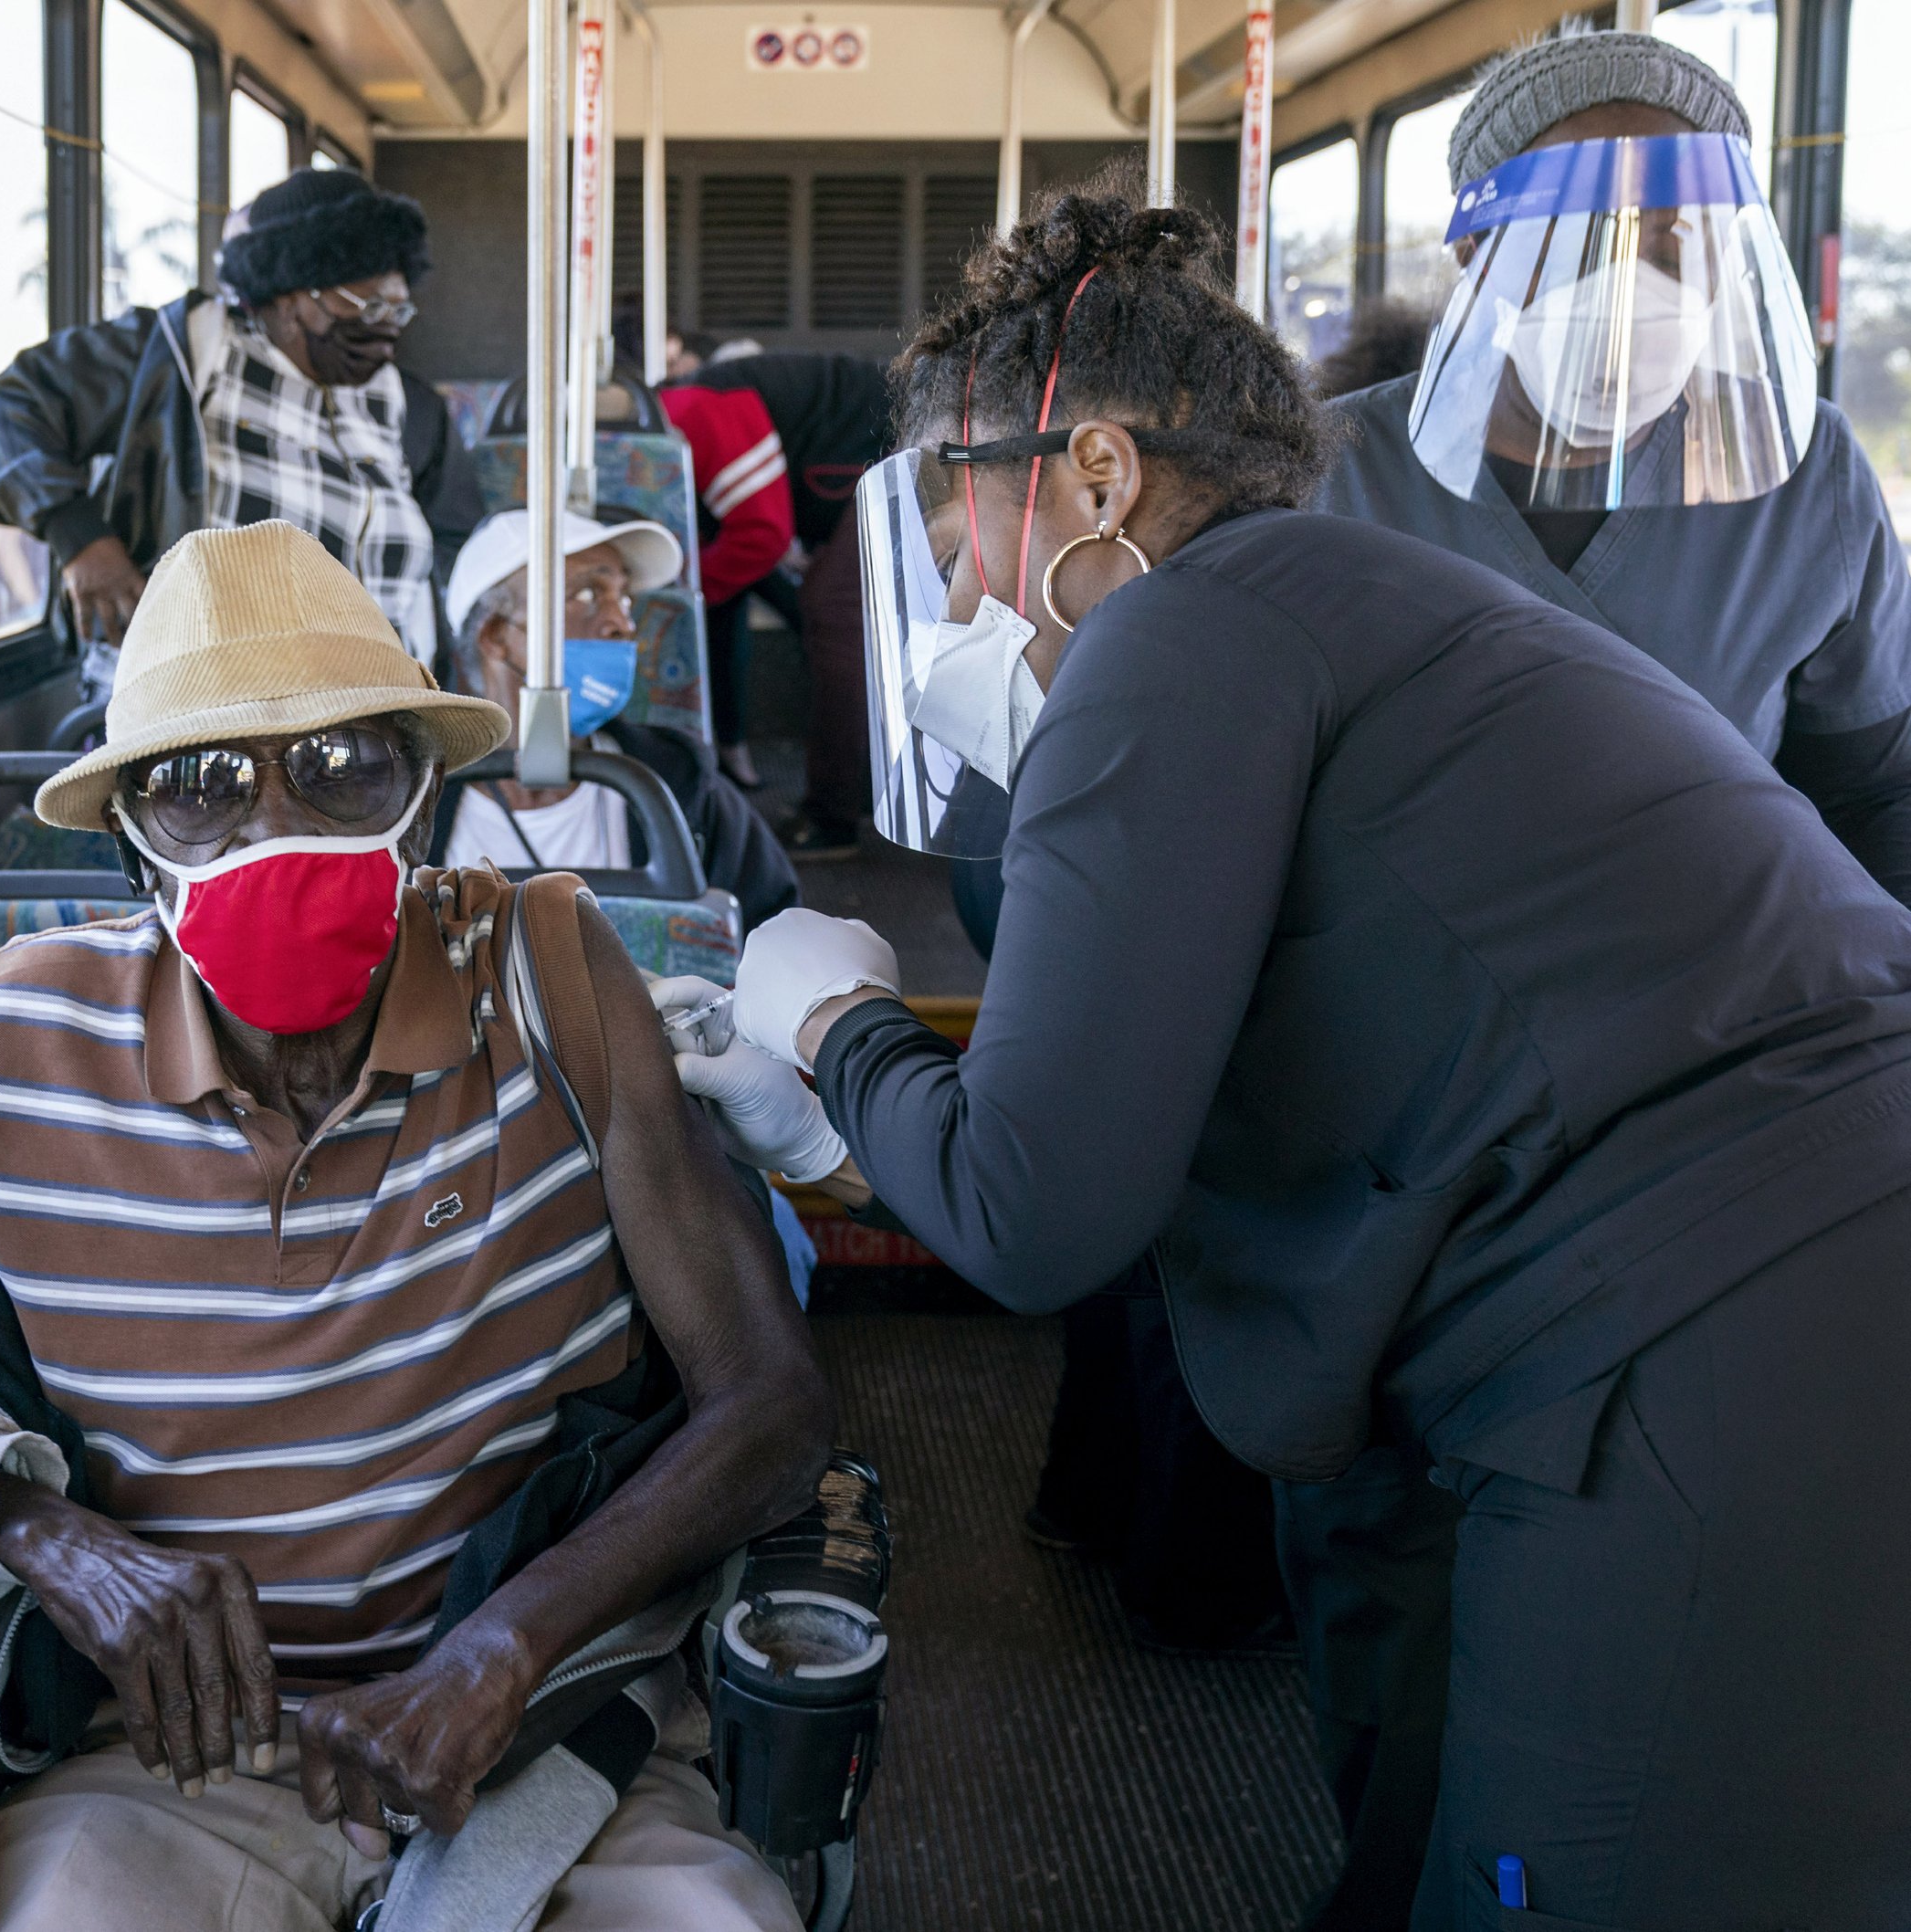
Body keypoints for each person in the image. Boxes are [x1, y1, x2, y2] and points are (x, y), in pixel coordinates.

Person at [678, 184, 1911, 1930]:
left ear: (1094, 479)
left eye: (961, 499)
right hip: (1784, 1288)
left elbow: (1037, 1212)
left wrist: (832, 1011)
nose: (957, 572)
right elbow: (1138, 1104)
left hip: (1715, 1338)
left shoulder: (1177, 635)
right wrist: (838, 1134)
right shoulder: (1336, 600)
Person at [0, 522, 827, 1932]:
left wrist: (502, 1653)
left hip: (548, 1725)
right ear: (134, 839)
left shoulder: (554, 976)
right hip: (174, 1761)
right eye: (202, 788)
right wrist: (51, 1537)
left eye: (340, 770)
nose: (275, 826)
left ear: (419, 803)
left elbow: (771, 1403)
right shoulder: (12, 1054)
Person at [1278, 30, 1911, 1927]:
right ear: (1476, 251)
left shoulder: (1800, 492)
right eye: (1587, 232)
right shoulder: (1329, 491)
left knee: (1632, 1618)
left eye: (1679, 239)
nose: (1634, 290)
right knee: (1389, 1592)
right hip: (1394, 1133)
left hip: (1691, 1152)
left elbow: (1880, 796)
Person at [0, 168, 487, 673]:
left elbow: (459, 542)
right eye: (369, 306)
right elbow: (14, 406)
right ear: (291, 298)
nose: (385, 330)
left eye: (397, 311)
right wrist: (80, 537)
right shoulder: (179, 355)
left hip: (375, 697)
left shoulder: (410, 406)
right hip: (201, 691)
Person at [435, 508, 800, 934]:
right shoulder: (413, 806)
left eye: (623, 598)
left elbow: (777, 925)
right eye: (587, 595)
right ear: (496, 635)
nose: (623, 624)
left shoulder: (676, 781)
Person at [657, 354, 893, 854]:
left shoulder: (691, 412)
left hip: (904, 442)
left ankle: (832, 815)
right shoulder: (679, 410)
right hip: (860, 455)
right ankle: (869, 788)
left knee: (834, 611)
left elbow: (762, 537)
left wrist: (681, 606)